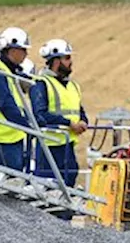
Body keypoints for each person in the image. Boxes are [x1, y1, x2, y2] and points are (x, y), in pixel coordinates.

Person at [30, 38, 89, 194]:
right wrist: (69, 123)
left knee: (70, 176)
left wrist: (83, 121)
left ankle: (63, 217)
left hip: (67, 144)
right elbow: (40, 114)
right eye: (67, 58)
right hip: (49, 145)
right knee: (47, 185)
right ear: (56, 61)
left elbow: (79, 109)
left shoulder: (73, 86)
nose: (71, 62)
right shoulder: (41, 83)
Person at [0, 26, 34, 173]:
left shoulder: (10, 71)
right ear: (12, 50)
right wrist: (27, 125)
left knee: (15, 180)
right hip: (2, 137)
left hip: (11, 135)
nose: (26, 53)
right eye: (23, 49)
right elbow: (6, 104)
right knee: (10, 181)